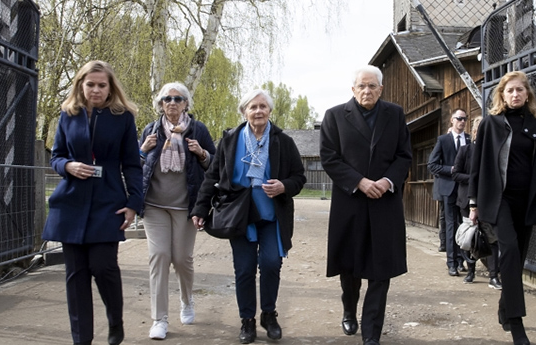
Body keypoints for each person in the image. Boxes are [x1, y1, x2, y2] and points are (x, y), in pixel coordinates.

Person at [190, 89, 306, 344]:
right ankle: (247, 321)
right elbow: (212, 176)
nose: (258, 111)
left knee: (271, 264)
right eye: (253, 107)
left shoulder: (283, 141)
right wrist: (200, 209)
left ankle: (268, 315)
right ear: (244, 111)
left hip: (271, 215)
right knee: (243, 270)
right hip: (239, 215)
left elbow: (299, 177)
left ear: (270, 111)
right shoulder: (230, 139)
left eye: (263, 106)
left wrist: (284, 186)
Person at [42, 60, 143, 345]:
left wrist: (134, 203)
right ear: (80, 85)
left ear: (110, 88)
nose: (96, 90)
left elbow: (132, 165)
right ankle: (81, 340)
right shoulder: (68, 115)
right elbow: (56, 156)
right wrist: (68, 166)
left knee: (103, 267)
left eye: (102, 85)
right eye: (90, 85)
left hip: (107, 202)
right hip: (71, 203)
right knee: (76, 276)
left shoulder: (122, 117)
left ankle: (115, 320)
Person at [320, 65, 412, 345]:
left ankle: (371, 334)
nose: (367, 91)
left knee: (380, 269)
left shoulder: (394, 115)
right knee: (349, 267)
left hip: (384, 204)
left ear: (381, 89)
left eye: (372, 86)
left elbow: (404, 156)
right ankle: (349, 307)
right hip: (351, 203)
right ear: (353, 89)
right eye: (362, 86)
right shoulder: (335, 116)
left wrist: (386, 181)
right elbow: (330, 157)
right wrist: (360, 182)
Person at [468, 71, 536, 345]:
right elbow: (477, 166)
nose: (515, 94)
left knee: (517, 260)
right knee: (509, 250)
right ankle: (517, 325)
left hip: (527, 200)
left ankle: (505, 308)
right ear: (502, 95)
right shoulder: (491, 124)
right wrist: (473, 202)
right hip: (498, 200)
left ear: (527, 94)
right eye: (510, 91)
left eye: (520, 90)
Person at [139, 82, 216, 340]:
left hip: (186, 206)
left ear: (186, 103)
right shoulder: (150, 130)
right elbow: (137, 165)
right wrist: (142, 151)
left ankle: (186, 300)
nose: (172, 103)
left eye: (178, 98)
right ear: (160, 104)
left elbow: (215, 166)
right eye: (166, 99)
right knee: (159, 256)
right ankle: (159, 318)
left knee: (182, 259)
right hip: (154, 206)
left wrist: (202, 153)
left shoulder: (198, 130)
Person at [452, 117, 501, 286]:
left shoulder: (494, 152)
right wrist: (475, 179)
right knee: (471, 238)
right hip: (467, 201)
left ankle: (494, 276)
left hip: (489, 202)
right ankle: (471, 272)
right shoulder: (465, 150)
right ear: (474, 131)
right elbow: (455, 173)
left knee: (492, 238)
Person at [428, 108, 470, 277]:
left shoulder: (468, 140)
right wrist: (451, 169)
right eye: (459, 118)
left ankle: (462, 261)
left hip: (465, 188)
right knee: (451, 224)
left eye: (464, 119)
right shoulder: (443, 140)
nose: (462, 121)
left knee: (465, 224)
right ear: (452, 120)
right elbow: (432, 164)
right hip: (449, 188)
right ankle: (452, 262)